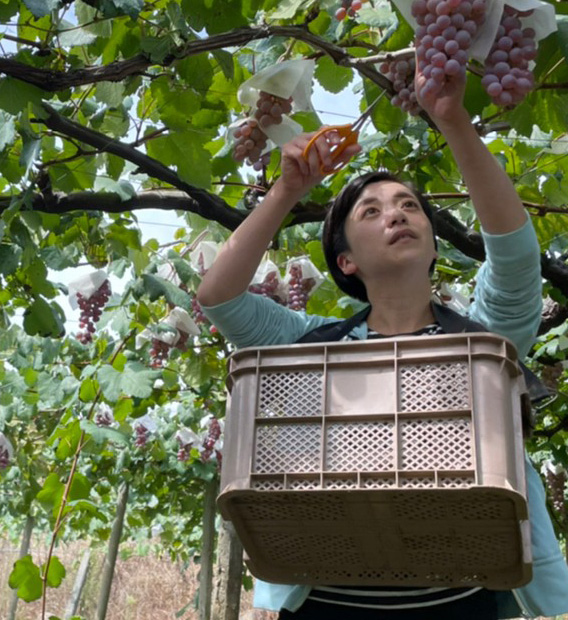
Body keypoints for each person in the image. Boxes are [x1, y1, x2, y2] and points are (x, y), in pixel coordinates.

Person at [197, 63, 568, 619]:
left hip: (461, 603)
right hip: (326, 603)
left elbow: (515, 258)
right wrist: (288, 189)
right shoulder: (314, 346)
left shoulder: (478, 338)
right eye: (371, 211)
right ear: (346, 260)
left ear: (435, 245)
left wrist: (453, 121)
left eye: (409, 205)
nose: (396, 213)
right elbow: (219, 298)